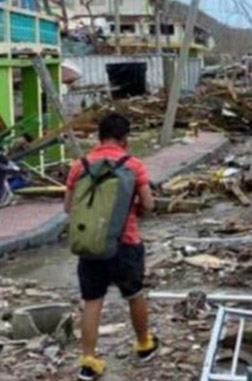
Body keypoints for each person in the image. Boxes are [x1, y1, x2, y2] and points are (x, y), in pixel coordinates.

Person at [64, 113, 158, 380]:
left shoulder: (79, 166)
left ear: (99, 136)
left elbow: (69, 207)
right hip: (125, 243)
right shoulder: (134, 165)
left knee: (92, 302)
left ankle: (89, 360)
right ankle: (144, 344)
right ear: (125, 138)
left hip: (90, 244)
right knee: (134, 294)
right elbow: (149, 205)